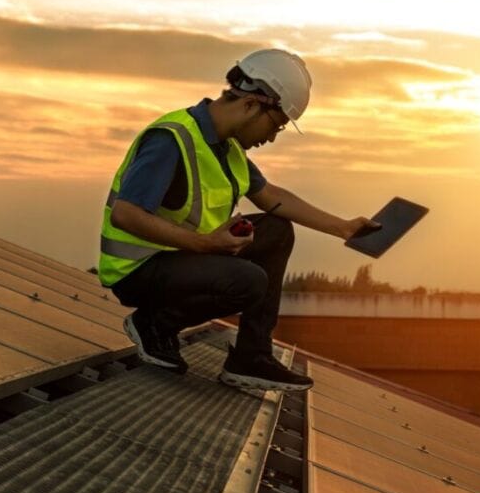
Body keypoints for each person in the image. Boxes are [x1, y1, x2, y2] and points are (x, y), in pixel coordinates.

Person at [97, 49, 377, 392]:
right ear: (251, 105)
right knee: (249, 280)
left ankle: (251, 357)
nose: (272, 137)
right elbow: (126, 214)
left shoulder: (228, 150)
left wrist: (343, 227)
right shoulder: (173, 138)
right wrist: (205, 244)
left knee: (275, 230)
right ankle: (154, 324)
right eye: (275, 124)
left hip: (183, 262)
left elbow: (274, 198)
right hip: (138, 270)